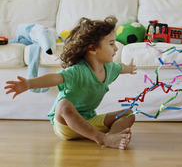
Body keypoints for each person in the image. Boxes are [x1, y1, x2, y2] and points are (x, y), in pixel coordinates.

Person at [4, 16, 137, 150]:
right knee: (63, 105)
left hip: (89, 121)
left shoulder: (110, 68)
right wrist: (28, 84)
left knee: (129, 113)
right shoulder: (78, 71)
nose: (116, 48)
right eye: (111, 44)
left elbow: (122, 68)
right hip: (66, 124)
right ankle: (103, 139)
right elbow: (55, 78)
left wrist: (130, 68)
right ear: (92, 49)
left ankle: (112, 138)